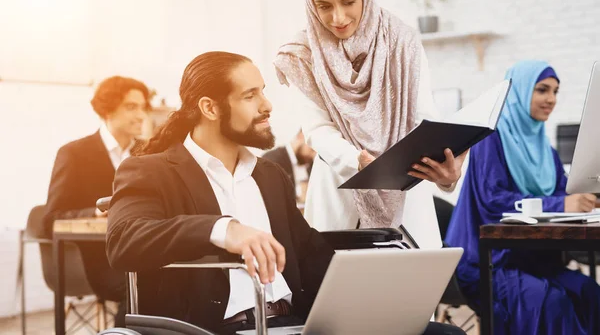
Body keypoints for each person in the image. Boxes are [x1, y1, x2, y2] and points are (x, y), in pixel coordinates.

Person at [106, 51, 464, 335]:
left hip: (293, 323)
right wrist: (224, 229)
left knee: (442, 334)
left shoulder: (268, 176)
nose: (267, 105)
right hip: (216, 328)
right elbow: (124, 241)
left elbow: (309, 254)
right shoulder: (151, 171)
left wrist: (382, 291)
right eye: (250, 95)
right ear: (210, 108)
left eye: (263, 90)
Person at [274, 0, 466, 246]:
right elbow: (317, 130)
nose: (338, 17)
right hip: (339, 192)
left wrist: (446, 173)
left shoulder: (402, 42)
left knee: (409, 290)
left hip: (405, 194)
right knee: (341, 289)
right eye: (324, 6)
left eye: (349, 1)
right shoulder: (302, 53)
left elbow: (424, 119)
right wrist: (357, 160)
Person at [445, 61, 600, 335]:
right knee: (553, 303)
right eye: (542, 90)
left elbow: (565, 192)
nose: (551, 99)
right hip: (488, 260)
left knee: (590, 293)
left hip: (533, 259)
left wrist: (588, 197)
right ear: (519, 92)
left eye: (555, 91)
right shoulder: (488, 140)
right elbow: (494, 201)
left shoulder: (545, 148)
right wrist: (562, 204)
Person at [43, 75, 151, 325]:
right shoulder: (74, 154)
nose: (141, 115)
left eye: (143, 107)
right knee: (142, 284)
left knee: (185, 277)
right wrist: (94, 212)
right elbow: (50, 219)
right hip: (97, 262)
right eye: (131, 107)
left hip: (145, 250)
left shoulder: (149, 153)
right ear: (108, 109)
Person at [262, 130, 316, 200]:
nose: (314, 154)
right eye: (313, 149)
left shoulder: (309, 161)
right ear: (302, 136)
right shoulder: (272, 161)